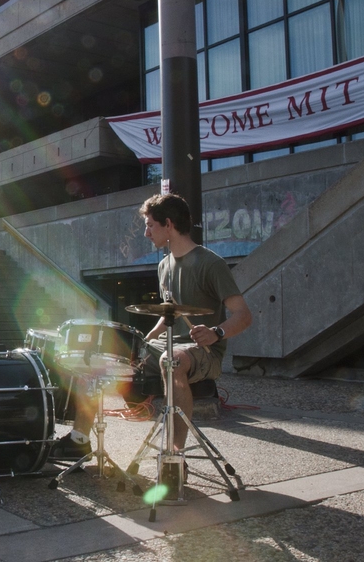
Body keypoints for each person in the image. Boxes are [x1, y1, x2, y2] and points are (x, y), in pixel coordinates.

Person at [50, 193, 252, 473]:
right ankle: (79, 439)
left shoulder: (211, 264)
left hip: (202, 351)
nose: (145, 233)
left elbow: (244, 315)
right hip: (166, 346)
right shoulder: (163, 266)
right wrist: (139, 344)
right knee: (99, 359)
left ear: (168, 224)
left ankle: (175, 457)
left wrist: (216, 332)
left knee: (174, 360)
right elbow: (168, 316)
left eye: (150, 226)